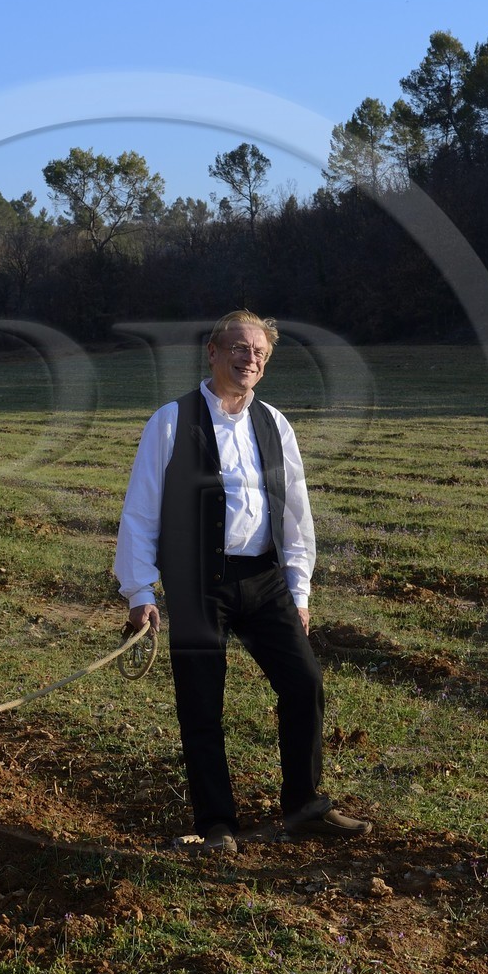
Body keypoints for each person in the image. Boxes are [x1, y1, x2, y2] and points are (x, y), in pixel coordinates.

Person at [113, 310, 372, 854]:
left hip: (265, 580)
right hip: (197, 585)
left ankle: (304, 804)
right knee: (202, 705)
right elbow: (141, 512)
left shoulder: (276, 425)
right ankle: (217, 824)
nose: (248, 358)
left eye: (258, 352)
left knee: (305, 684)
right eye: (237, 347)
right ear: (212, 351)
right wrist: (139, 591)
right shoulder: (170, 421)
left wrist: (299, 590)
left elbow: (295, 512)